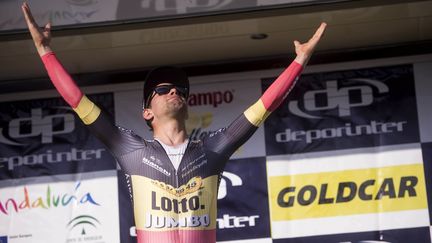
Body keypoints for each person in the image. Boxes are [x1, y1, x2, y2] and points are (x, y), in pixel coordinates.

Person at [21, 2, 326, 243]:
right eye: (162, 89)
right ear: (146, 112)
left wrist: (299, 61)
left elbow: (264, 107)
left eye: (180, 89)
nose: (174, 91)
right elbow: (77, 101)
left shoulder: (213, 148)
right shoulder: (130, 148)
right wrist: (45, 51)